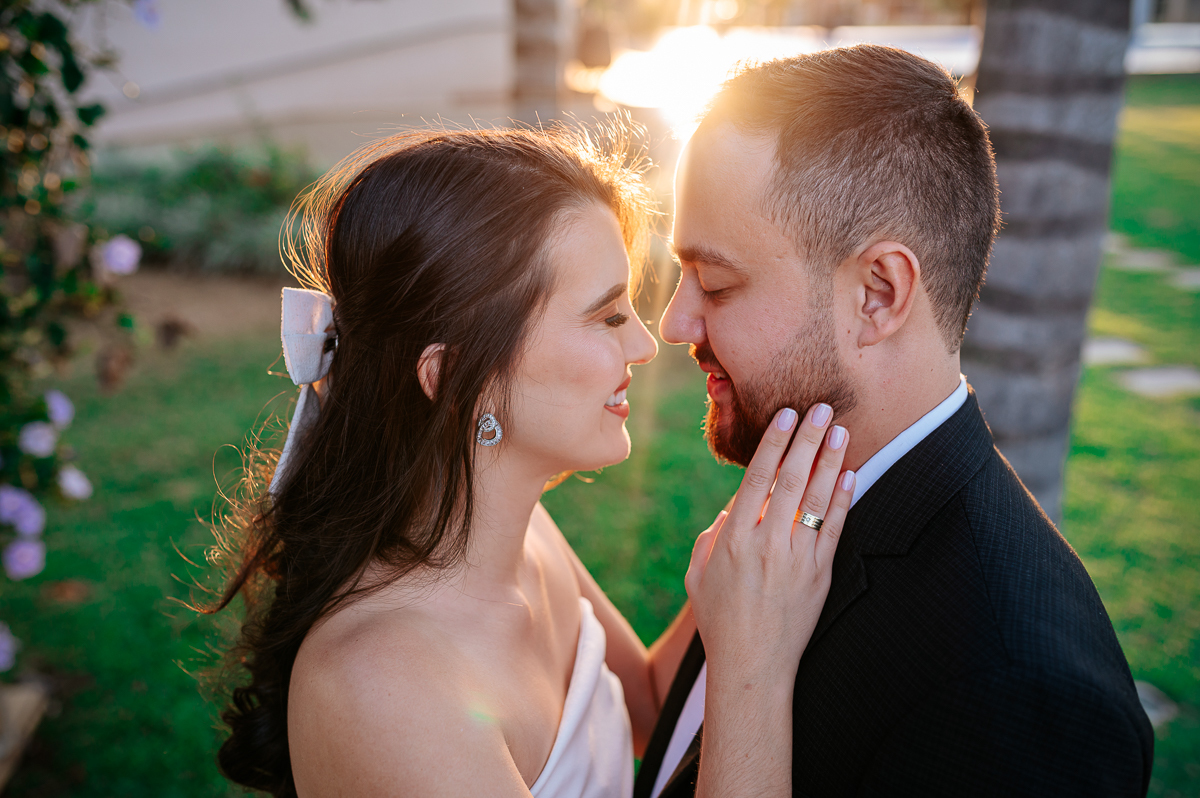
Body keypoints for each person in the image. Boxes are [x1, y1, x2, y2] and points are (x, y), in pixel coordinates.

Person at [205, 126, 853, 798]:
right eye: (607, 317)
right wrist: (754, 664)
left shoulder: (526, 538)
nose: (643, 344)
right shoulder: (380, 687)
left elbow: (649, 708)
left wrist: (755, 542)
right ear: (455, 379)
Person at [636, 46, 1155, 798]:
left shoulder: (1018, 691)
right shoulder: (790, 508)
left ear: (879, 294)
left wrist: (751, 677)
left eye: (716, 283)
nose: (674, 322)